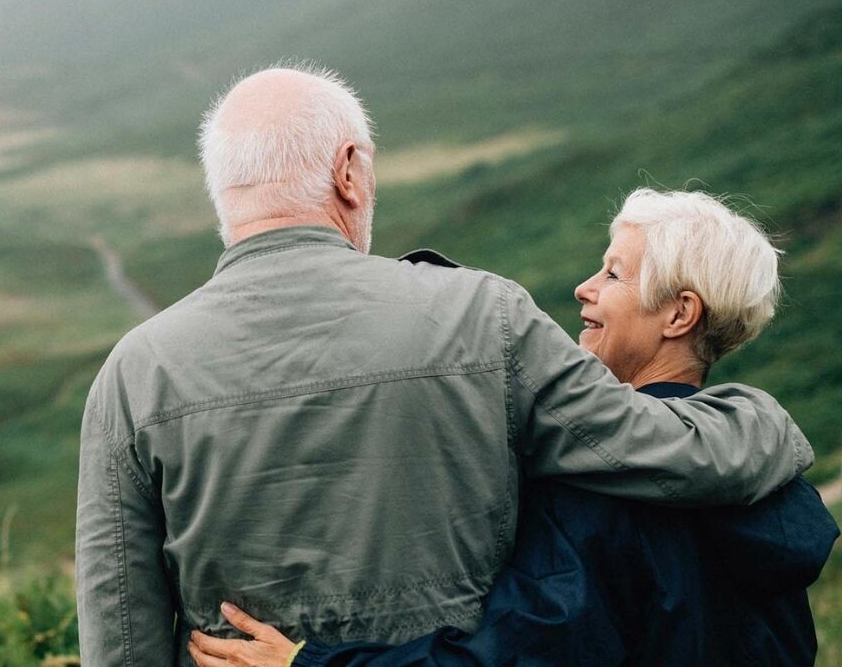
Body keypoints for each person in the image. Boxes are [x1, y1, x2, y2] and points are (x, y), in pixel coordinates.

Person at [75, 67, 814, 666]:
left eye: (614, 274)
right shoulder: (483, 317)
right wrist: (765, 421)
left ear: (223, 194)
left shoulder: (133, 374)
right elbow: (660, 449)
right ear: (349, 172)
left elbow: (121, 633)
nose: (588, 289)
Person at [188, 189, 839, 667]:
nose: (585, 288)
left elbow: (512, 658)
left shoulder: (599, 486)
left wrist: (307, 664)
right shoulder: (772, 483)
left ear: (679, 315)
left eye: (613, 273)